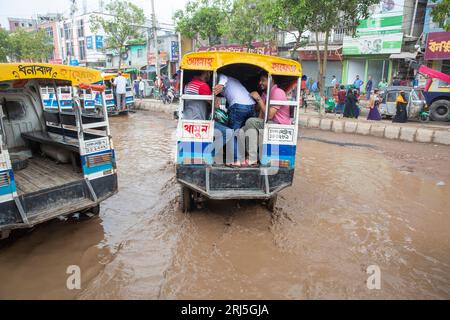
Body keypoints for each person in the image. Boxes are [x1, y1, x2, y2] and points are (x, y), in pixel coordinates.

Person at [238, 72, 289, 167]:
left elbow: (269, 115)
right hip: (267, 123)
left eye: (263, 80)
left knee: (250, 121)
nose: (260, 83)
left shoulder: (278, 92)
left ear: (271, 80)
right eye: (260, 80)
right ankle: (252, 156)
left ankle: (252, 158)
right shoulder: (266, 93)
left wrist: (258, 98)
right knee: (242, 130)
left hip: (278, 124)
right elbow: (260, 113)